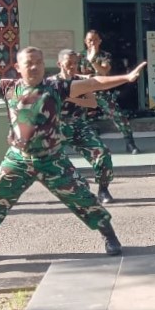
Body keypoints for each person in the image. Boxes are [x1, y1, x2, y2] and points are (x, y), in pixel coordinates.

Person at [0, 47, 147, 268]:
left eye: (38, 62)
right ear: (18, 67)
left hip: (52, 159)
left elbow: (94, 83)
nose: (34, 66)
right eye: (29, 63)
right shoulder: (9, 87)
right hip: (18, 159)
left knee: (82, 197)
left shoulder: (57, 87)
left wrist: (126, 78)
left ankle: (109, 235)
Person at [54, 49, 116, 204]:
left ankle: (103, 189)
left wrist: (71, 98)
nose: (72, 66)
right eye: (69, 63)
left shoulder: (81, 81)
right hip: (55, 127)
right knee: (49, 160)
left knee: (102, 153)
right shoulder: (51, 83)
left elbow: (92, 103)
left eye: (75, 63)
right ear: (59, 64)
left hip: (78, 125)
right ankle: (77, 186)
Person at [79, 30, 140, 154]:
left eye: (95, 40)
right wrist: (85, 76)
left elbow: (104, 72)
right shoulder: (80, 56)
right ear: (85, 41)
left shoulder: (104, 56)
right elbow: (75, 73)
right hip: (84, 92)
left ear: (100, 41)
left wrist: (92, 60)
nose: (92, 43)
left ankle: (130, 143)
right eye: (90, 40)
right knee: (74, 117)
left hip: (101, 92)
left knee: (118, 116)